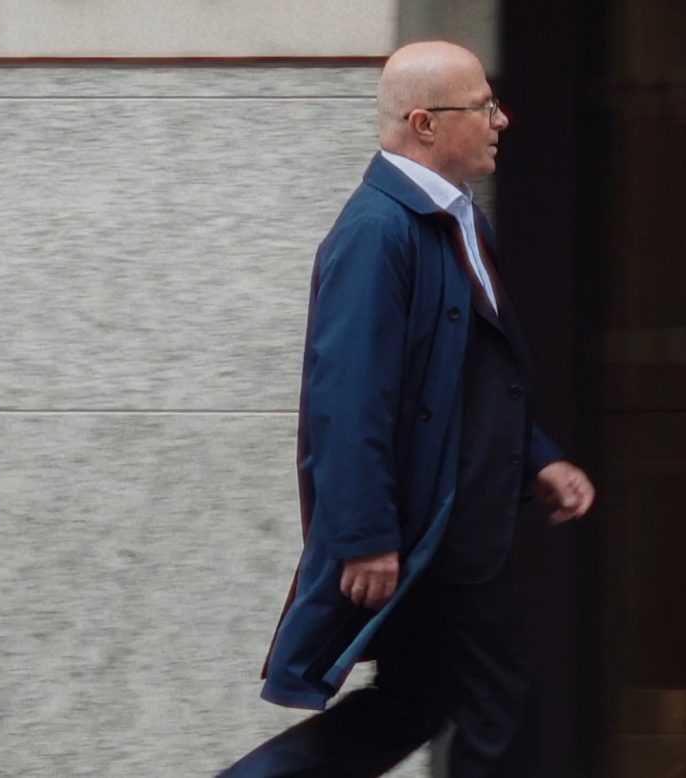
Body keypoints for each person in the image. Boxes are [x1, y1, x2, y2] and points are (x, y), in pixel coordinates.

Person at [221, 41, 596, 777]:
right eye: (484, 106)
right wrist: (364, 535)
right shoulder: (379, 233)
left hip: (453, 524)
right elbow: (348, 396)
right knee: (499, 714)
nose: (502, 119)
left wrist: (540, 457)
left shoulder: (457, 222)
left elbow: (473, 384)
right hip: (434, 534)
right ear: (424, 123)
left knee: (416, 701)